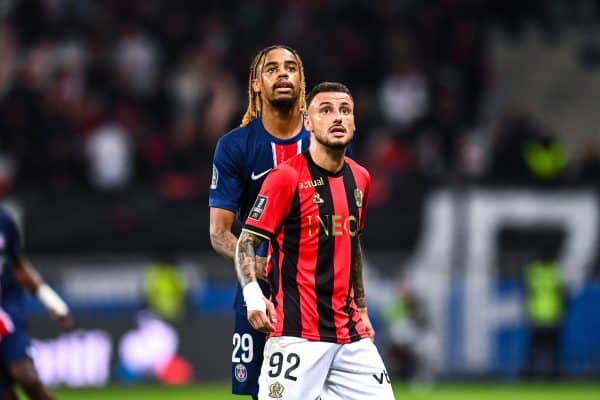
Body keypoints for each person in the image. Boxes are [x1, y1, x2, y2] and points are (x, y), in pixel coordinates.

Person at [236, 82, 395, 400]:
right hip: (298, 335)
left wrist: (362, 307)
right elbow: (247, 242)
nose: (337, 117)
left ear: (354, 122)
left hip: (351, 336)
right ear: (307, 122)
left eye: (345, 110)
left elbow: (352, 244)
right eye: (326, 110)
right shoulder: (286, 177)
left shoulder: (360, 178)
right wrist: (253, 295)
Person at [208, 44, 310, 399]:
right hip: (260, 290)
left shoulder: (324, 140)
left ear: (301, 81)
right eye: (272, 68)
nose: (283, 73)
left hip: (318, 292)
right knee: (262, 394)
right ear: (255, 83)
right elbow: (219, 233)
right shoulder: (235, 146)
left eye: (291, 68)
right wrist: (257, 272)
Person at [0, 206, 74, 400]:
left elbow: (18, 265)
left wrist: (51, 301)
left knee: (25, 375)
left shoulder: (4, 220)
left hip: (7, 307)